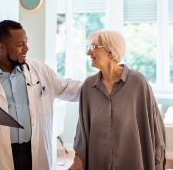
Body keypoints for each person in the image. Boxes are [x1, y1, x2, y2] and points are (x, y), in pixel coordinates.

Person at [0, 20, 82, 170]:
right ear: (0, 47)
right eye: (19, 44)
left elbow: (66, 87)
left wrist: (102, 84)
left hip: (34, 150)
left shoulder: (38, 70)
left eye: (26, 42)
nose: (26, 48)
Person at [69, 30, 165, 170]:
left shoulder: (138, 83)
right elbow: (82, 131)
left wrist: (158, 163)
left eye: (94, 47)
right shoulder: (89, 86)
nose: (89, 53)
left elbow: (155, 128)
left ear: (110, 51)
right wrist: (78, 160)